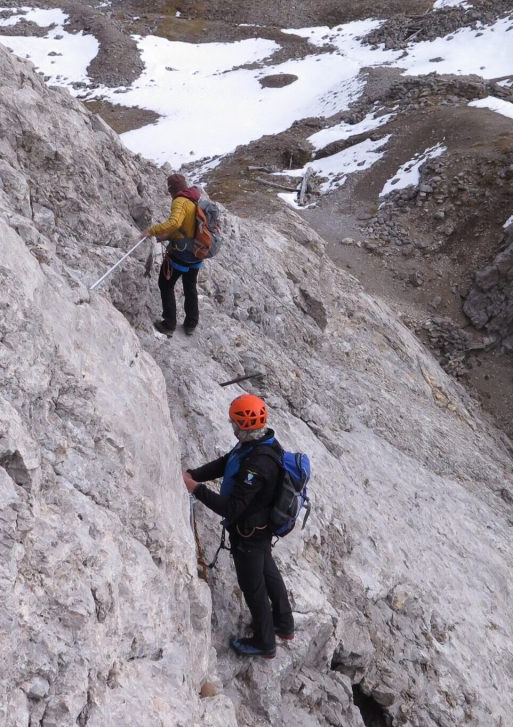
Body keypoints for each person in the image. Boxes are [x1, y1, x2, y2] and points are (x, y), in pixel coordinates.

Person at [183, 394, 295, 659]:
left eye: (234, 422)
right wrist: (195, 474)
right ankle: (284, 623)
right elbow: (226, 463)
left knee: (253, 587)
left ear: (244, 425)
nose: (232, 427)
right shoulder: (260, 442)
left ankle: (265, 642)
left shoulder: (258, 463)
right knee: (269, 573)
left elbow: (232, 508)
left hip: (250, 534)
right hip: (261, 530)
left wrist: (196, 490)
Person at [143, 173, 204, 336]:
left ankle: (169, 324)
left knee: (165, 284)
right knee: (190, 286)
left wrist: (152, 230)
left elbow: (175, 223)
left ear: (171, 189)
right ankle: (191, 323)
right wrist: (168, 235)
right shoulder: (194, 198)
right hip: (197, 252)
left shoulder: (180, 201)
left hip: (181, 253)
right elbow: (186, 226)